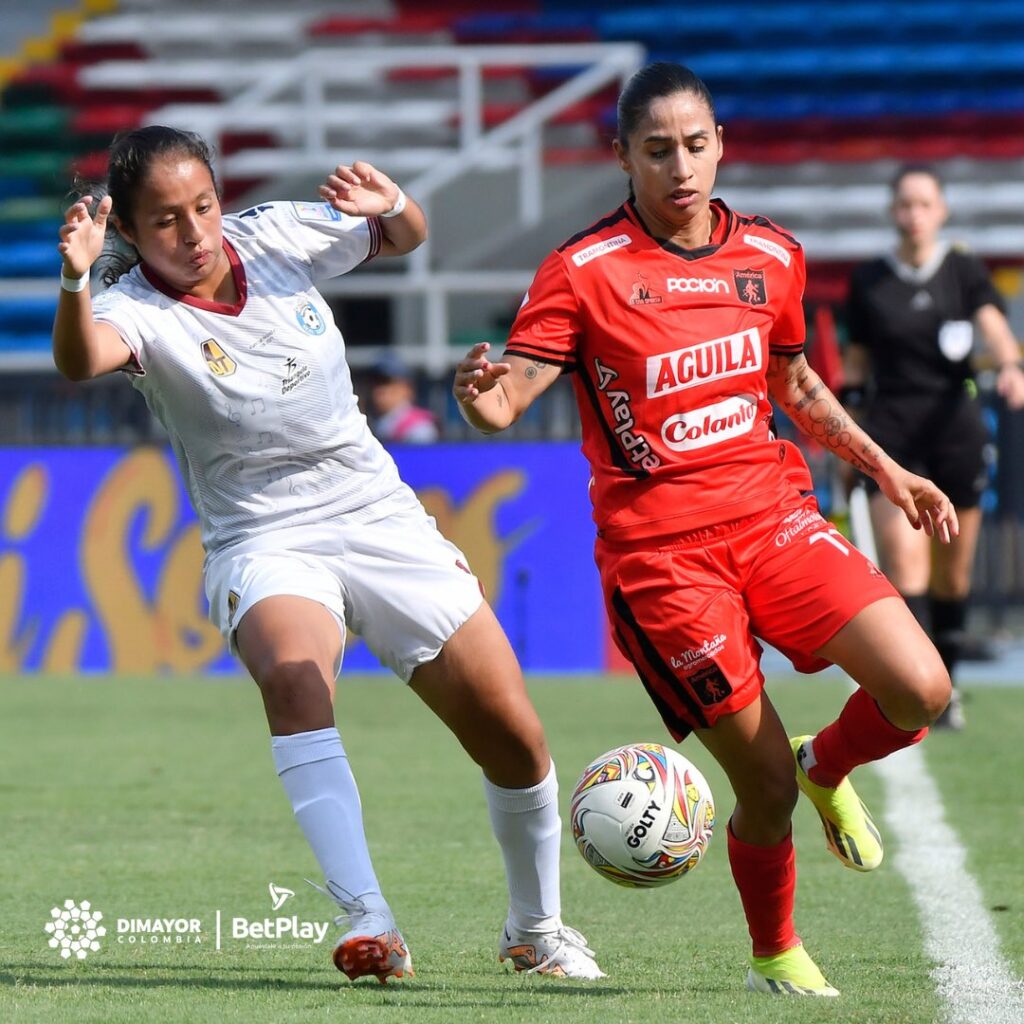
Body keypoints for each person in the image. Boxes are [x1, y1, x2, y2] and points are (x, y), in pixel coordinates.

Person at [52, 125, 604, 982]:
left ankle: (536, 931)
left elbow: (407, 235)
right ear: (125, 229)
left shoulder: (272, 234)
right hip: (262, 536)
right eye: (165, 221)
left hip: (377, 514)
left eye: (202, 205)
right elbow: (82, 358)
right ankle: (367, 917)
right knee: (294, 678)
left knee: (517, 739)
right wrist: (75, 278)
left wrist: (395, 204)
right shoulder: (133, 311)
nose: (195, 232)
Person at [453, 63, 959, 998]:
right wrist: (485, 403)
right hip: (663, 560)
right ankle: (775, 951)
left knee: (922, 686)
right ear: (622, 157)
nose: (680, 167)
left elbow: (795, 385)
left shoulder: (770, 257)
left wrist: (888, 473)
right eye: (656, 151)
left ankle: (828, 761)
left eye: (695, 145)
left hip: (775, 520)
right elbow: (514, 389)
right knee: (759, 785)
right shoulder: (583, 271)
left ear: (721, 143)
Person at [844, 164, 1024, 730]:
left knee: (954, 575)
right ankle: (921, 693)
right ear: (892, 212)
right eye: (904, 204)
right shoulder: (870, 280)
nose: (914, 214)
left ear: (940, 210)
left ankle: (945, 685)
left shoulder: (963, 269)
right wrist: (844, 435)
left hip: (955, 430)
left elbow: (993, 326)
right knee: (905, 563)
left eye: (924, 204)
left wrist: (1013, 363)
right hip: (892, 434)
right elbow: (854, 366)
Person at [365, 353, 440, 443]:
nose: (379, 389)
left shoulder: (419, 428)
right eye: (374, 382)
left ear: (406, 388)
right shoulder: (373, 423)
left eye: (386, 382)